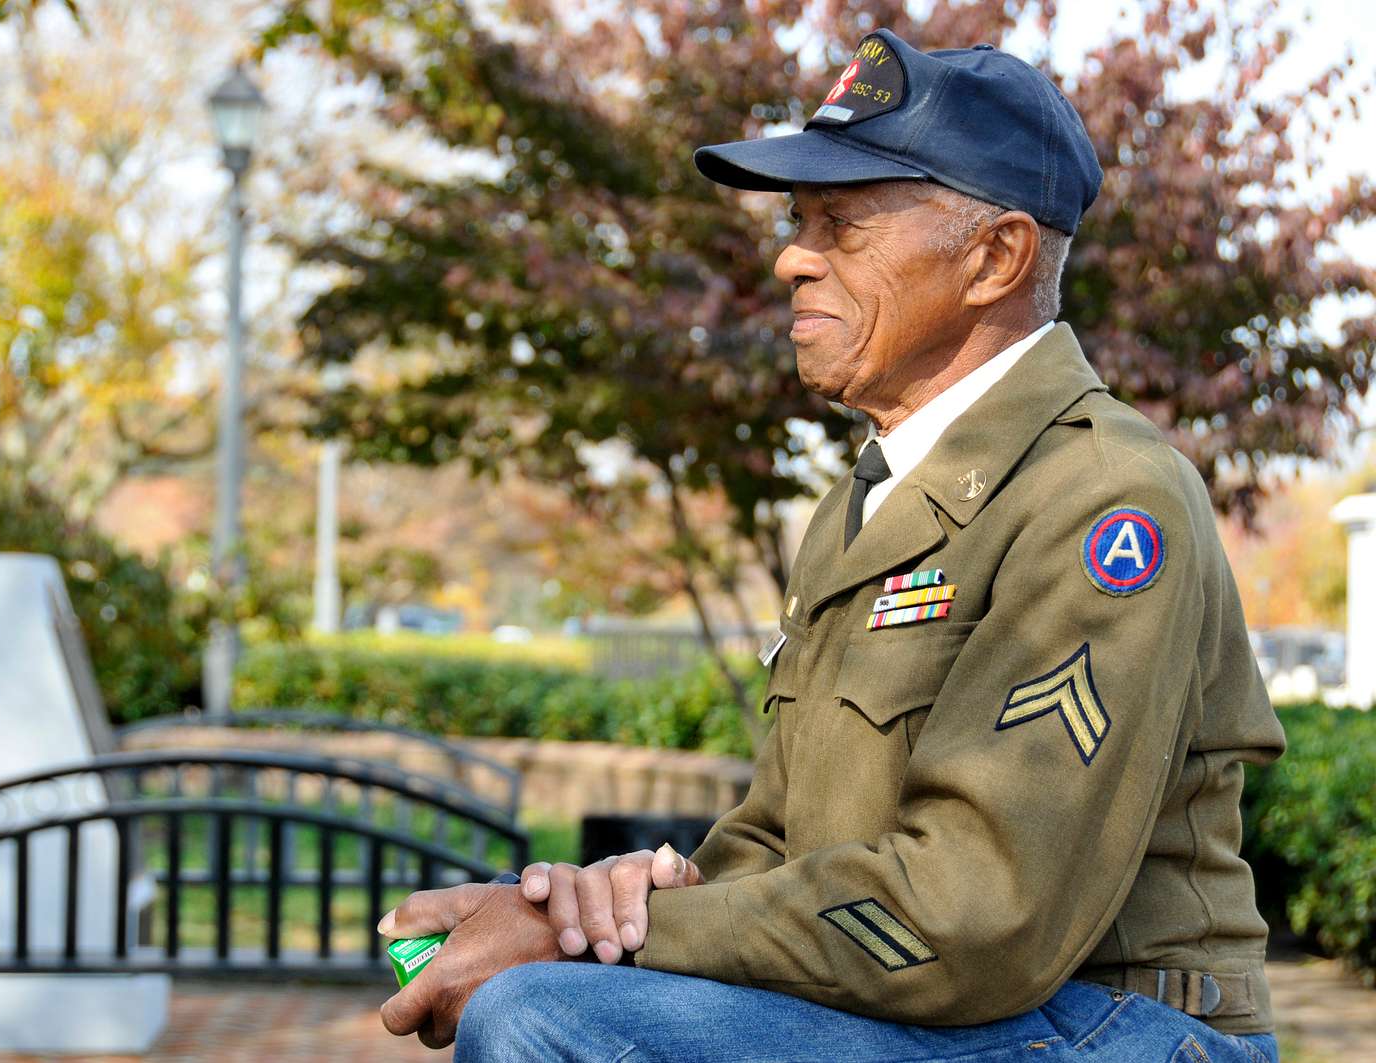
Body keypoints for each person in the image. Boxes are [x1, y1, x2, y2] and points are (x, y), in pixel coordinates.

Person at [377, 27, 1286, 1062]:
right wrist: (595, 906)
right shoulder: (876, 495)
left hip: (1118, 1023)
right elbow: (779, 844)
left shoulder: (1103, 496)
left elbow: (976, 913)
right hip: (939, 1011)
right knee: (545, 980)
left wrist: (596, 948)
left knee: (543, 1017)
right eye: (798, 219)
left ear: (995, 258)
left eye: (841, 225)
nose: (791, 256)